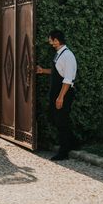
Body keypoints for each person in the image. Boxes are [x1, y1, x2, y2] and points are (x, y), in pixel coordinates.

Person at [36, 30, 78, 161]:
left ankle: (64, 152)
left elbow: (68, 79)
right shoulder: (59, 54)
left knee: (61, 122)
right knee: (55, 119)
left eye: (51, 39)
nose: (49, 42)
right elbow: (57, 71)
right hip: (56, 93)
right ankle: (73, 143)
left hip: (63, 93)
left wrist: (60, 97)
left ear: (56, 40)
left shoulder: (68, 56)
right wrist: (43, 71)